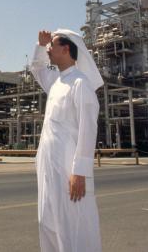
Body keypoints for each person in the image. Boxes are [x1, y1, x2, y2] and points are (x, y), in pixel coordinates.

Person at [31, 28, 103, 252]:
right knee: (48, 223)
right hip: (49, 169)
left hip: (68, 170)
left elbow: (88, 129)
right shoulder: (57, 82)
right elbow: (37, 67)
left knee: (73, 226)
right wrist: (41, 46)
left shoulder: (81, 84)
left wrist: (80, 171)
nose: (49, 49)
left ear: (66, 48)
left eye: (53, 45)